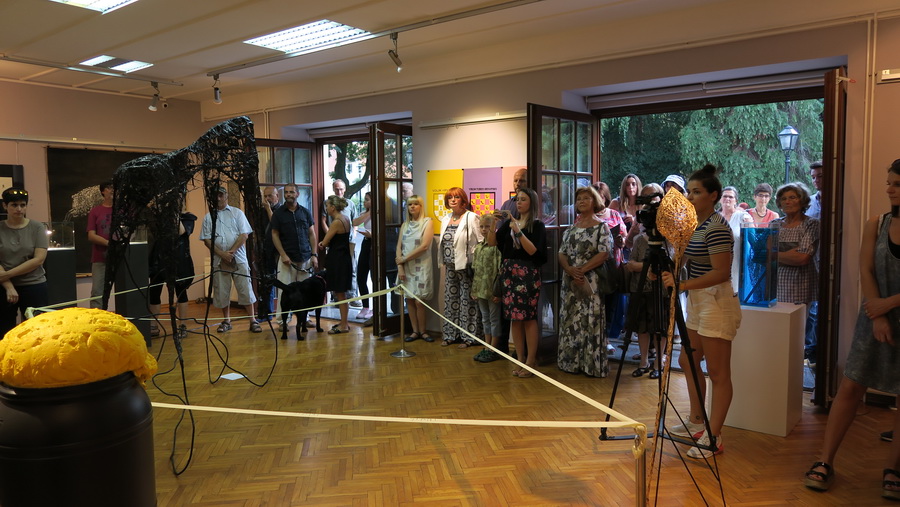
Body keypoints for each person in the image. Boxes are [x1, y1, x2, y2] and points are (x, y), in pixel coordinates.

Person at [803, 159, 900, 500]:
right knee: (850, 387)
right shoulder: (877, 223)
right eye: (889, 182)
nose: (889, 189)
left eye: (897, 184)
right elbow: (866, 270)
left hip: (883, 309)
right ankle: (825, 460)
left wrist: (888, 304)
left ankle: (894, 468)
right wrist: (879, 313)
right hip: (873, 318)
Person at [661, 164, 742, 459]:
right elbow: (684, 259)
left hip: (716, 301)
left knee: (719, 373)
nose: (690, 197)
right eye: (690, 192)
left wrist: (682, 284)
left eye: (696, 192)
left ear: (713, 196)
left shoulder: (717, 227)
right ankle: (698, 421)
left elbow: (721, 272)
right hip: (698, 298)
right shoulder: (694, 224)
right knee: (688, 358)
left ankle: (714, 435)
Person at [490, 187, 547, 378]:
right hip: (509, 274)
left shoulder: (537, 225)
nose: (519, 202)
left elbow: (534, 252)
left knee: (528, 318)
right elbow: (492, 243)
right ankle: (520, 358)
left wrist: (519, 232)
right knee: (514, 317)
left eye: (523, 199)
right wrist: (493, 223)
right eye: (517, 199)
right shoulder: (508, 224)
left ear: (532, 202)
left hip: (527, 274)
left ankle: (531, 361)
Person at [557, 186, 610, 377]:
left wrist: (582, 270)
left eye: (586, 198)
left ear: (595, 201)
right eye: (579, 198)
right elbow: (561, 253)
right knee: (571, 319)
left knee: (591, 320)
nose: (581, 201)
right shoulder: (571, 229)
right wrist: (569, 269)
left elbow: (604, 253)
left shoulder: (602, 227)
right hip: (571, 281)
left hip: (591, 281)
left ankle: (591, 365)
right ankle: (570, 363)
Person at [200, 186, 261, 333]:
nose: (218, 198)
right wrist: (222, 254)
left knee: (245, 289)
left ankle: (252, 320)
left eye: (221, 195)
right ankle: (226, 321)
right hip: (219, 261)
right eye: (216, 195)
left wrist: (231, 252)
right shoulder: (208, 217)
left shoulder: (237, 213)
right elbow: (207, 240)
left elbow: (244, 235)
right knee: (222, 291)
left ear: (226, 196)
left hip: (238, 259)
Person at [773, 182, 819, 361]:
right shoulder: (774, 224)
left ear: (802, 200)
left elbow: (802, 258)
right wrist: (789, 253)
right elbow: (761, 255)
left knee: (796, 336)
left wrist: (774, 254)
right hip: (774, 288)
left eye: (792, 197)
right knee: (777, 333)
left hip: (801, 288)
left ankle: (793, 370)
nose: (787, 201)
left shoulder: (811, 224)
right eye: (783, 198)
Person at [625, 183, 667, 378]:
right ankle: (643, 361)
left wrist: (644, 267)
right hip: (641, 288)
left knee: (660, 328)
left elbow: (670, 262)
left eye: (653, 196)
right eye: (646, 196)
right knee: (642, 327)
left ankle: (658, 362)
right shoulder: (639, 239)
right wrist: (647, 267)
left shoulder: (669, 236)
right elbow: (630, 264)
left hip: (662, 288)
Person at [0, 188, 48, 338]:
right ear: (5, 206)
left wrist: (7, 274)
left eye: (22, 205)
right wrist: (8, 285)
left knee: (36, 330)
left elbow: (38, 259)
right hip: (4, 285)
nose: (19, 209)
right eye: (14, 205)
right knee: (4, 330)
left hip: (34, 284)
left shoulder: (37, 227)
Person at [439, 187, 483, 348]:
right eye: (450, 197)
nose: (452, 200)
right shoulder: (446, 218)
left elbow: (481, 241)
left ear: (463, 200)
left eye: (456, 197)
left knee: (467, 302)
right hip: (450, 266)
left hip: (466, 267)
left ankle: (469, 337)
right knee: (450, 300)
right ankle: (451, 334)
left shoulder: (471, 217)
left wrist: (476, 262)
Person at [271, 183, 318, 331]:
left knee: (306, 290)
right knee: (284, 291)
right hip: (287, 259)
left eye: (291, 192)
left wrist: (314, 254)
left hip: (305, 256)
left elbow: (312, 234)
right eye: (286, 192)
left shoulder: (305, 212)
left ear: (297, 194)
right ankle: (282, 322)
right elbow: (274, 235)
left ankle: (305, 318)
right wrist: (283, 254)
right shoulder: (278, 213)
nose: (288, 195)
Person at [147, 210, 196, 339]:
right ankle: (153, 326)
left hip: (179, 263)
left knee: (181, 293)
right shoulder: (157, 217)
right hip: (158, 262)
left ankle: (182, 325)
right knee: (154, 293)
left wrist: (174, 214)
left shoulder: (187, 218)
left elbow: (182, 231)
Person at [593, 181, 628, 351]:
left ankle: (606, 339)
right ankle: (594, 338)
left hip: (613, 264)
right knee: (595, 303)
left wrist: (621, 240)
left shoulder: (614, 214)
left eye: (600, 196)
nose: (597, 200)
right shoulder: (585, 216)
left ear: (606, 197)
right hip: (593, 265)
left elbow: (625, 238)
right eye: (594, 196)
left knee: (610, 304)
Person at [396, 194, 434, 342]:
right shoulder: (405, 225)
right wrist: (400, 266)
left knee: (419, 300)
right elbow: (399, 247)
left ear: (421, 206)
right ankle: (415, 331)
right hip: (406, 267)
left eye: (415, 204)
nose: (412, 207)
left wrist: (404, 258)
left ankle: (423, 331)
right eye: (410, 204)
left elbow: (424, 246)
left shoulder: (427, 222)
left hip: (421, 266)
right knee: (409, 299)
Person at [319, 195, 353, 334]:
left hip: (337, 260)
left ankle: (344, 325)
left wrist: (322, 244)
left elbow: (325, 241)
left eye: (327, 206)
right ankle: (344, 321)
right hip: (344, 258)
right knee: (341, 292)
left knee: (340, 293)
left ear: (333, 207)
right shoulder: (346, 219)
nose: (326, 208)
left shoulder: (336, 222)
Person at [472, 213, 503, 363]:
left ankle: (494, 348)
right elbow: (476, 271)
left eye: (487, 226)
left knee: (494, 319)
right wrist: (474, 290)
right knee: (485, 319)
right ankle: (487, 345)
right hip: (481, 290)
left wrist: (499, 292)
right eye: (482, 227)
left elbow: (499, 270)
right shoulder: (478, 247)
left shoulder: (496, 248)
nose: (484, 229)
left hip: (492, 291)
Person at [324, 179, 360, 307]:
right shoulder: (328, 203)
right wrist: (329, 234)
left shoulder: (350, 205)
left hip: (348, 243)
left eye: (341, 189)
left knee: (352, 269)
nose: (339, 191)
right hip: (335, 242)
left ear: (344, 190)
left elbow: (355, 221)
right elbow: (323, 220)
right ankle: (338, 298)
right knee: (337, 273)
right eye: (336, 189)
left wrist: (354, 233)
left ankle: (352, 296)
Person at [805, 161, 824, 364]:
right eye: (813, 177)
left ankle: (818, 350)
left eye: (820, 176)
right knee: (811, 309)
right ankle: (810, 348)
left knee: (822, 309)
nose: (816, 180)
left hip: (828, 260)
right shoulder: (809, 202)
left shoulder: (837, 200)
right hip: (810, 261)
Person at [719, 186, 753, 294]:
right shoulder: (714, 218)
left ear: (736, 200)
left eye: (731, 197)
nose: (727, 199)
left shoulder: (743, 217)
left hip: (737, 266)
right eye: (725, 196)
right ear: (720, 199)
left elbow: (753, 241)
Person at [87, 181, 114, 309]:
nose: (112, 190)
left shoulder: (122, 211)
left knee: (126, 288)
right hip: (100, 257)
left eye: (114, 188)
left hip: (121, 257)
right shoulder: (95, 211)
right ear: (103, 191)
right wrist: (110, 243)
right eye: (109, 188)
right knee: (97, 292)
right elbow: (91, 235)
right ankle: (97, 318)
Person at [260, 186, 281, 322]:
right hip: (266, 251)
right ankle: (267, 313)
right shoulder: (261, 211)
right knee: (267, 282)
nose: (267, 199)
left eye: (270, 196)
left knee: (283, 282)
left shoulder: (282, 210)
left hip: (280, 251)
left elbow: (276, 225)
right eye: (265, 196)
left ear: (277, 196)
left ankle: (284, 313)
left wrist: (268, 209)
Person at [353, 192, 373, 320]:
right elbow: (355, 222)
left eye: (367, 200)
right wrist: (370, 212)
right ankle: (365, 306)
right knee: (361, 276)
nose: (364, 202)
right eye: (364, 200)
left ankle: (376, 307)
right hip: (366, 244)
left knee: (375, 278)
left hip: (376, 244)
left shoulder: (381, 213)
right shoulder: (365, 213)